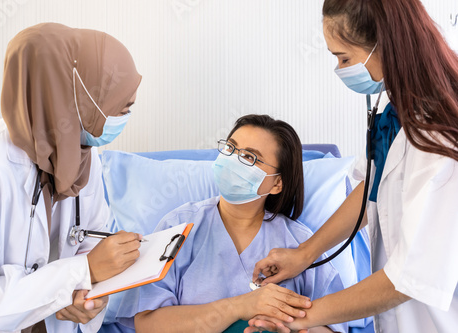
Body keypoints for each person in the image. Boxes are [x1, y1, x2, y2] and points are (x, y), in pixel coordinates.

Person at [247, 0, 458, 332]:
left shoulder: (440, 135)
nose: (341, 70)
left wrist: (300, 316)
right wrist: (304, 254)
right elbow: (369, 189)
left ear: (386, 44)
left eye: (344, 58)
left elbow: (409, 277)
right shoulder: (394, 101)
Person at [0, 23, 142, 332]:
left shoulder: (86, 154)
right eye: (120, 104)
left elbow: (92, 243)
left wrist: (89, 297)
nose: (125, 114)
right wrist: (79, 273)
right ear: (71, 94)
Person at [114, 114, 348, 333]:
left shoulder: (301, 245)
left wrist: (289, 326)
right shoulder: (178, 227)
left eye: (249, 157)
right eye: (230, 148)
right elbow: (146, 323)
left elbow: (333, 326)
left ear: (277, 184)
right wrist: (239, 307)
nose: (234, 160)